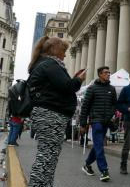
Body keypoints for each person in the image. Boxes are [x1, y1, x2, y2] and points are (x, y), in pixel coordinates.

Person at [28, 36, 86, 187]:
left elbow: (60, 87)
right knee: (47, 155)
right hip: (51, 115)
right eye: (63, 51)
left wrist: (73, 79)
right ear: (53, 50)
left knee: (49, 155)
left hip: (47, 114)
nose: (65, 55)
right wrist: (79, 80)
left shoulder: (43, 64)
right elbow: (68, 87)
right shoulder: (50, 64)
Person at [79, 66, 118, 182]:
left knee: (98, 144)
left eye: (109, 72)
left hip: (106, 121)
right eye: (106, 72)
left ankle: (87, 165)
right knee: (99, 145)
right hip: (95, 120)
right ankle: (104, 170)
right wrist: (83, 124)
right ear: (100, 74)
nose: (108, 74)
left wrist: (111, 114)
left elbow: (114, 104)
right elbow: (85, 107)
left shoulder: (111, 88)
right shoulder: (92, 88)